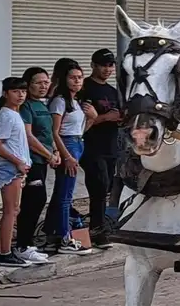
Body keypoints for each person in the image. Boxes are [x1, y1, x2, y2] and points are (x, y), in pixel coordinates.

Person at [44, 59, 91, 255]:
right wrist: (67, 156)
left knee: (61, 194)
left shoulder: (77, 102)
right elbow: (55, 132)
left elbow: (80, 130)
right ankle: (65, 238)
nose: (77, 81)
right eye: (73, 78)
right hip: (67, 145)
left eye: (80, 78)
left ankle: (51, 234)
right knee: (65, 196)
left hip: (77, 142)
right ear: (65, 79)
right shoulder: (60, 101)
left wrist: (93, 118)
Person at [78, 48, 122, 248]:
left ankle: (103, 224)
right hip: (91, 146)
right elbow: (78, 123)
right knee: (98, 185)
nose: (107, 69)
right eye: (103, 65)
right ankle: (97, 229)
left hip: (111, 145)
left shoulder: (113, 91)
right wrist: (104, 117)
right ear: (93, 65)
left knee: (107, 187)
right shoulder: (84, 88)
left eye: (110, 65)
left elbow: (120, 116)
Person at [0, 77, 34, 267]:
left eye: (23, 91)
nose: (21, 95)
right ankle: (5, 252)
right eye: (16, 91)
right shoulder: (6, 115)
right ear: (6, 94)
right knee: (11, 211)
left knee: (14, 210)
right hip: (9, 168)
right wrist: (18, 162)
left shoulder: (15, 114)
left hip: (16, 167)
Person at [16, 66, 58, 264]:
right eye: (38, 82)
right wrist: (49, 154)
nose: (43, 86)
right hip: (32, 161)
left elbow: (49, 133)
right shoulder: (26, 107)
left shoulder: (42, 105)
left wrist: (55, 152)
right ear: (28, 84)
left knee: (37, 201)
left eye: (45, 82)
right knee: (33, 201)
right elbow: (28, 136)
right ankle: (22, 245)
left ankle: (27, 243)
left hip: (44, 160)